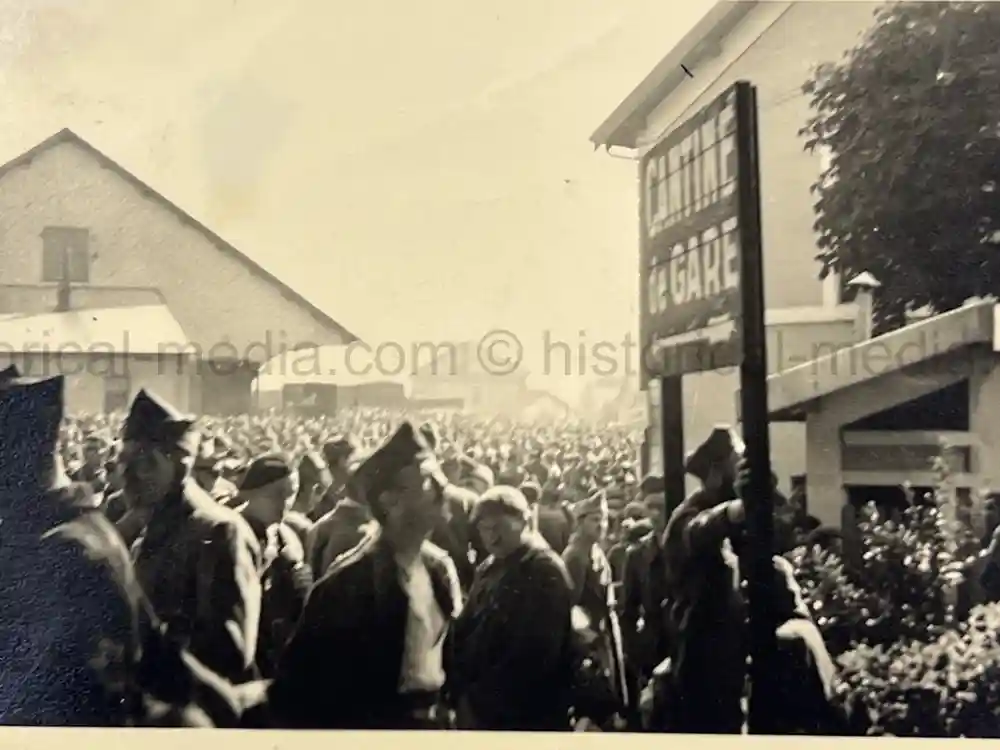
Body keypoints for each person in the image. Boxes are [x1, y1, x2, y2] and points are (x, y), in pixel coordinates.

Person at [268, 421, 462, 729]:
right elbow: (299, 693)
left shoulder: (438, 567)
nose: (443, 489)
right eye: (429, 481)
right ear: (390, 500)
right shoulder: (345, 586)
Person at [122, 388, 263, 685]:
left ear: (180, 465)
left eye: (146, 462)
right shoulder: (146, 535)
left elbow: (232, 653)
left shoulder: (218, 532)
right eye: (124, 460)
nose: (129, 474)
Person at [447, 486, 575, 731]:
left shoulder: (544, 570)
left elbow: (537, 655)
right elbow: (465, 628)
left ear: (524, 522)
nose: (491, 537)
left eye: (500, 528)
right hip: (481, 707)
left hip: (523, 713)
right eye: (485, 529)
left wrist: (481, 701)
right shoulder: (488, 568)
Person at [233, 454, 314, 679]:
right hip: (242, 653)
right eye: (276, 494)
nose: (285, 504)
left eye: (291, 494)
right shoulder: (231, 533)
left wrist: (303, 588)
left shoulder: (289, 537)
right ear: (252, 492)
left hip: (276, 657)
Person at [561, 490, 628, 724]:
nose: (602, 525)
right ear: (580, 523)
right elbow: (569, 606)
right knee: (593, 706)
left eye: (604, 518)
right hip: (589, 643)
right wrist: (588, 640)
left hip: (604, 633)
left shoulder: (596, 551)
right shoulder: (575, 557)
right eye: (594, 519)